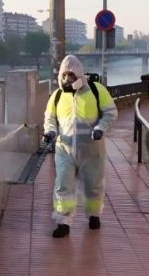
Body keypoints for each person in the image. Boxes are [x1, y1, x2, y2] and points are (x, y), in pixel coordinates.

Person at [43, 54, 118, 238]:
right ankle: (63, 222)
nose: (67, 79)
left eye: (71, 75)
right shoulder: (58, 95)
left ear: (78, 74)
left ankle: (94, 214)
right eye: (64, 75)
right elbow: (50, 118)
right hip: (64, 150)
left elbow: (110, 112)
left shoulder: (96, 90)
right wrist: (50, 131)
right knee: (63, 186)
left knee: (93, 184)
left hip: (91, 149)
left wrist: (100, 128)